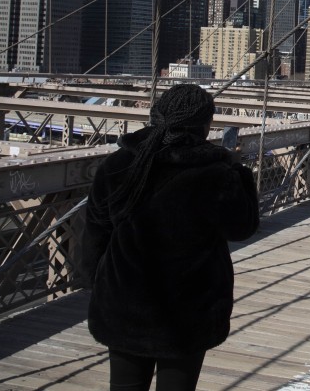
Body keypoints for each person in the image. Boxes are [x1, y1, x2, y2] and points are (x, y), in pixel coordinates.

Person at [80, 84, 259, 391]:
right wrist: (239, 172)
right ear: (205, 124)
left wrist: (98, 283)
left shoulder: (119, 163)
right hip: (189, 311)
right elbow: (241, 228)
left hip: (124, 304)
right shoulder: (216, 173)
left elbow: (96, 231)